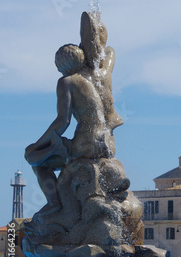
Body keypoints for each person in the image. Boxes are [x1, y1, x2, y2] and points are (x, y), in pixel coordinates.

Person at [25, 12, 124, 215]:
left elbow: (63, 121)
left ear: (62, 66)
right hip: (107, 143)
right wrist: (94, 32)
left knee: (35, 160)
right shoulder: (101, 74)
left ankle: (54, 203)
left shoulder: (67, 82)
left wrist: (38, 144)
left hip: (84, 145)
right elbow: (109, 50)